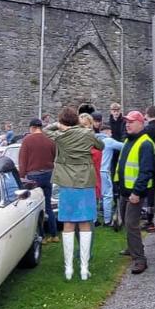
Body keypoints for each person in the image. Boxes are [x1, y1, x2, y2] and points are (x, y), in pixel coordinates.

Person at [45, 107, 104, 280]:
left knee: (68, 223)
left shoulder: (60, 136)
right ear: (77, 120)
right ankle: (84, 269)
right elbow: (101, 145)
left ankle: (68, 268)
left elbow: (46, 130)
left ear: (63, 122)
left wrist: (59, 125)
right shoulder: (87, 133)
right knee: (85, 222)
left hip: (67, 183)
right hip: (85, 182)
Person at [115, 110, 155, 275]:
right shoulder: (128, 140)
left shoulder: (145, 143)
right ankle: (132, 248)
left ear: (141, 123)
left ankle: (140, 259)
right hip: (126, 191)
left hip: (135, 193)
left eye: (131, 121)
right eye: (127, 122)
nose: (127, 124)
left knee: (132, 224)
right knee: (126, 221)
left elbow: (146, 171)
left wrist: (137, 192)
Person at [18, 118, 58, 243]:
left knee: (35, 207)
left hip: (33, 176)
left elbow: (23, 161)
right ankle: (54, 234)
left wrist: (22, 177)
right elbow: (54, 156)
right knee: (48, 206)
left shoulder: (27, 140)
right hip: (48, 174)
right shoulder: (50, 141)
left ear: (32, 127)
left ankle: (41, 236)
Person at [98, 124, 124, 227]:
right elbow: (124, 147)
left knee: (95, 197)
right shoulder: (108, 141)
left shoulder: (93, 140)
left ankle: (94, 220)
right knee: (107, 196)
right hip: (104, 171)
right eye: (110, 132)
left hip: (93, 171)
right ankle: (107, 220)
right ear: (107, 132)